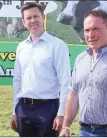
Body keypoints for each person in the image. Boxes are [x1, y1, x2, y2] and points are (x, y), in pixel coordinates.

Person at [11, 2, 71, 137]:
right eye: (28, 18)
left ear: (43, 17)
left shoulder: (58, 45)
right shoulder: (21, 47)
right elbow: (17, 81)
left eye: (36, 16)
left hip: (48, 108)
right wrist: (15, 112)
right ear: (23, 22)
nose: (32, 21)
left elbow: (65, 82)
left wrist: (61, 114)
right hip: (23, 108)